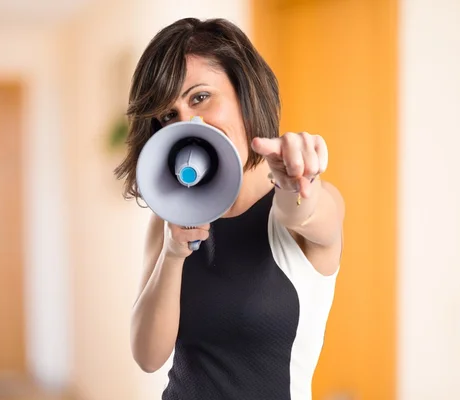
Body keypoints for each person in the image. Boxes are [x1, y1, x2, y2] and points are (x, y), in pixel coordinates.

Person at [114, 17, 345, 400]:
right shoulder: (168, 218)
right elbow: (148, 356)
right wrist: (173, 255)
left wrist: (297, 183)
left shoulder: (306, 206)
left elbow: (304, 211)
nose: (188, 122)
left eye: (200, 97)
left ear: (244, 93)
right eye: (169, 115)